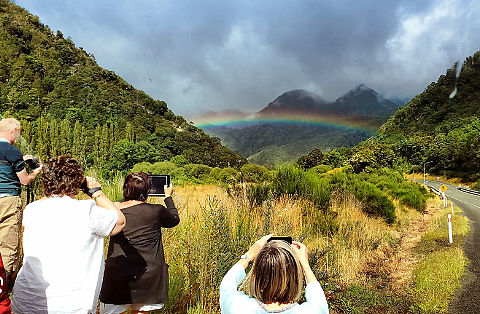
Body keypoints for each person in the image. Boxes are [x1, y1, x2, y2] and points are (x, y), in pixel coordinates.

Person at [11, 155, 126, 314]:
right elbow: (119, 221)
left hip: (27, 301)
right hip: (70, 304)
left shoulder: (31, 209)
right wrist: (97, 193)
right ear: (78, 181)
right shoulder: (87, 211)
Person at [99, 172, 180, 314]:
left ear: (125, 189)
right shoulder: (156, 211)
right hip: (148, 274)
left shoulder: (115, 210)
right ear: (148, 190)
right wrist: (168, 197)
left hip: (118, 273)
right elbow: (174, 219)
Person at [220, 234, 329, 314]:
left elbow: (226, 286)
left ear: (256, 275)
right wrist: (305, 264)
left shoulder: (238, 307)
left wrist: (249, 256)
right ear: (293, 277)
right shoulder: (312, 311)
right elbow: (320, 302)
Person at [0, 117, 43, 290]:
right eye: (18, 133)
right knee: (8, 248)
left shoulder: (13, 153)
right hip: (8, 200)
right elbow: (24, 180)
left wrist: (19, 160)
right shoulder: (12, 150)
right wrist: (35, 173)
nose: (17, 138)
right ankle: (4, 291)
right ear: (12, 131)